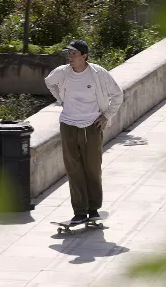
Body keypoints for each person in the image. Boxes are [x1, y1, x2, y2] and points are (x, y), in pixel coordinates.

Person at [45, 40, 123, 225]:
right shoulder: (62, 72)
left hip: (92, 126)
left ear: (84, 56)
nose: (70, 57)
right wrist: (61, 99)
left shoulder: (98, 73)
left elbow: (118, 94)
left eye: (74, 54)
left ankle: (93, 209)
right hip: (68, 125)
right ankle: (79, 211)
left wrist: (106, 116)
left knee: (92, 168)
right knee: (73, 169)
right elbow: (49, 82)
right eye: (69, 54)